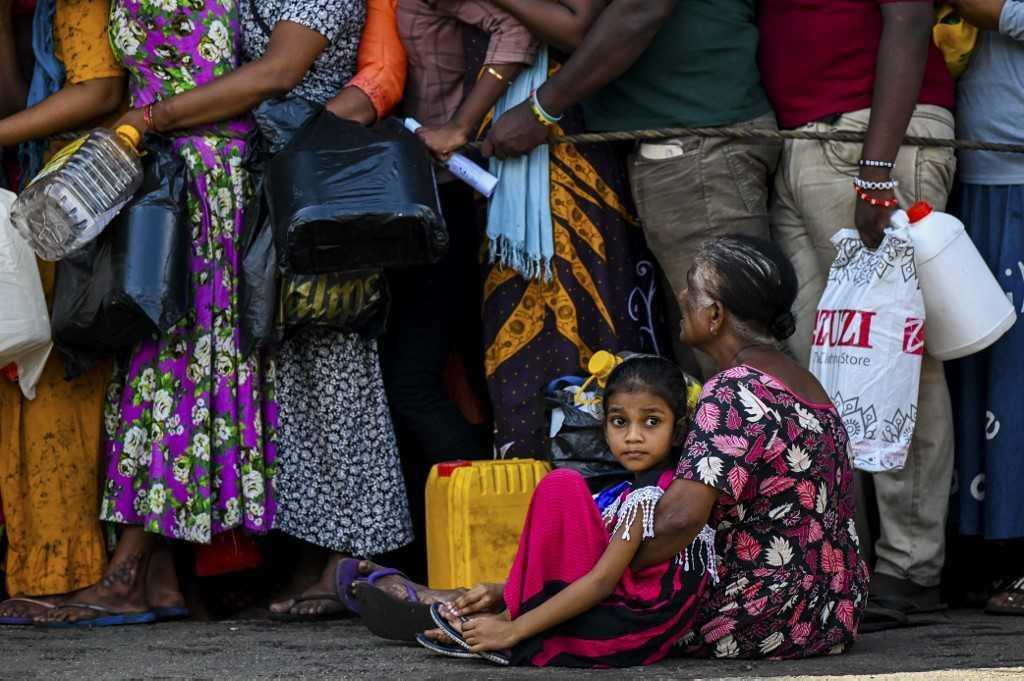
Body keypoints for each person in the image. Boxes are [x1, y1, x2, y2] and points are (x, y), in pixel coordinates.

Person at [38, 0, 411, 626]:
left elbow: (280, 72)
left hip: (305, 180)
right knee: (278, 378)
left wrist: (150, 118)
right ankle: (263, 565)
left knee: (331, 366)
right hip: (261, 170)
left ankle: (355, 562)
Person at [415, 237, 866, 661]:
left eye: (692, 289)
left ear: (715, 315)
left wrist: (583, 585)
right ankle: (508, 597)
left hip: (762, 611)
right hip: (832, 607)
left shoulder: (733, 390)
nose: (681, 298)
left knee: (596, 588)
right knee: (613, 540)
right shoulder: (806, 383)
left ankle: (510, 614)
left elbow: (678, 522)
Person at [758, 0, 957, 626]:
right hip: (807, 141)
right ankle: (842, 559)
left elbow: (909, 16)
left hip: (870, 138)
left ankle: (911, 565)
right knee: (825, 357)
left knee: (897, 355)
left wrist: (876, 168)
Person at [480, 0, 780, 381]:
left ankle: (763, 442)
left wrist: (541, 109)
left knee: (734, 347)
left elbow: (638, 10)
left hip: (698, 146)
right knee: (710, 347)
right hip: (691, 143)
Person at [444, 0, 668, 458]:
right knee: (510, 329)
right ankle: (529, 495)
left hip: (564, 141)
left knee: (593, 319)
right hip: (499, 147)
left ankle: (601, 497)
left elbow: (577, 26)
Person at [421, 355, 715, 667]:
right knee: (565, 492)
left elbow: (601, 581)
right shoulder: (632, 490)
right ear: (604, 427)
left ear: (678, 429)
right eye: (619, 421)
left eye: (652, 421)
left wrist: (513, 630)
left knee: (561, 485)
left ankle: (506, 630)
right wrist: (505, 592)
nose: (633, 436)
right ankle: (501, 617)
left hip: (628, 627)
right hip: (629, 619)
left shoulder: (651, 493)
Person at [0, 0, 126, 625]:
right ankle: (43, 570)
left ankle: (71, 576)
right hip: (42, 195)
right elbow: (15, 100)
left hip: (80, 205)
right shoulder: (43, 10)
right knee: (31, 384)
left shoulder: (79, 4)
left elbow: (101, 90)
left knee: (55, 383)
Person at [945, 0, 1024, 615]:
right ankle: (986, 553)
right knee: (981, 369)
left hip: (1015, 176)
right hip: (977, 171)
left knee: (1013, 375)